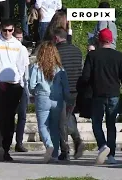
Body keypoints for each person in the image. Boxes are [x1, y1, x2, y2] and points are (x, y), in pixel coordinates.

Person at [0, 19, 29, 161]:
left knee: (10, 118)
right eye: (5, 30)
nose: (7, 33)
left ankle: (6, 148)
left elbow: (21, 65)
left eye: (10, 30)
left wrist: (22, 83)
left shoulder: (18, 45)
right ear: (1, 29)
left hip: (14, 84)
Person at [79, 28, 122, 165]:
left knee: (96, 122)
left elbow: (85, 76)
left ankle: (103, 146)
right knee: (111, 124)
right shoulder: (119, 56)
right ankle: (111, 155)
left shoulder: (93, 56)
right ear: (111, 40)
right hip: (114, 93)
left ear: (99, 40)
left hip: (98, 94)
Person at [29, 41, 72, 163]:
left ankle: (49, 145)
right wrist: (67, 99)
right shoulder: (60, 68)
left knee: (43, 125)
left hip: (42, 97)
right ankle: (54, 155)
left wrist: (33, 93)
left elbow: (31, 85)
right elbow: (66, 87)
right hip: (57, 99)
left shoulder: (36, 67)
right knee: (54, 127)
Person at [53, 28, 84, 161]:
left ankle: (65, 150)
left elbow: (53, 71)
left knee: (61, 121)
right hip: (75, 90)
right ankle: (77, 140)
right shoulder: (77, 51)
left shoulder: (56, 52)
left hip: (61, 90)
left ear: (56, 38)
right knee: (68, 116)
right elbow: (81, 69)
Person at [13, 27, 29, 152]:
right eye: (17, 38)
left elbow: (26, 67)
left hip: (22, 85)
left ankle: (19, 142)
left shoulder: (23, 50)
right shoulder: (10, 49)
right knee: (10, 114)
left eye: (20, 38)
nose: (19, 40)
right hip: (12, 84)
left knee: (22, 115)